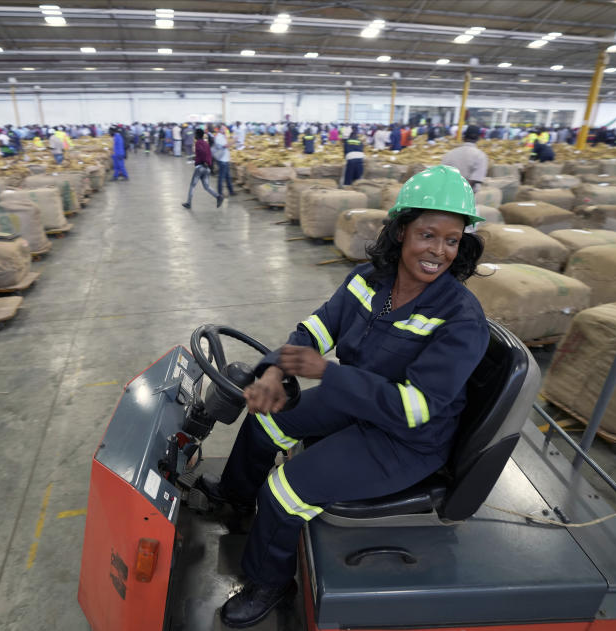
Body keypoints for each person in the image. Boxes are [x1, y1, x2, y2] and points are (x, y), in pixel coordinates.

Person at [194, 165, 489, 628]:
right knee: (266, 419)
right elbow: (317, 328)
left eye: (451, 240)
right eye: (427, 235)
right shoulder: (368, 279)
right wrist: (274, 368)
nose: (438, 251)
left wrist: (328, 376)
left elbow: (416, 408)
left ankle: (270, 581)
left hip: (408, 439)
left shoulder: (460, 317)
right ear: (401, 231)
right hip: (359, 403)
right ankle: (234, 493)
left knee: (286, 491)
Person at [182, 128, 222, 209]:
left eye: (195, 134)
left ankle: (189, 203)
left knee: (192, 185)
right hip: (206, 168)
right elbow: (209, 154)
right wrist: (209, 165)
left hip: (200, 167)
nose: (194, 136)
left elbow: (202, 152)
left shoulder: (198, 143)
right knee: (206, 187)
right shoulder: (206, 143)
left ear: (197, 135)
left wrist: (202, 161)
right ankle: (218, 196)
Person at [440, 125, 488, 191]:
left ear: (464, 137)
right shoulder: (480, 156)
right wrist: (461, 192)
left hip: (447, 192)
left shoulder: (450, 153)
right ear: (478, 139)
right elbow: (475, 179)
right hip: (466, 195)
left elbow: (441, 174)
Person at [213, 126, 235, 198]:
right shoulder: (219, 137)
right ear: (219, 130)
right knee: (221, 177)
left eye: (224, 128)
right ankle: (220, 193)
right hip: (222, 160)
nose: (224, 130)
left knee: (228, 177)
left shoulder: (222, 136)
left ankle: (231, 191)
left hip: (225, 159)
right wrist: (233, 141)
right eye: (222, 129)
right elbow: (225, 146)